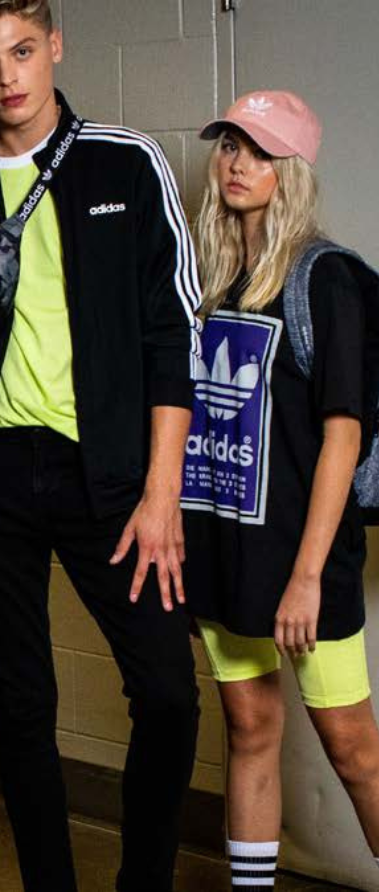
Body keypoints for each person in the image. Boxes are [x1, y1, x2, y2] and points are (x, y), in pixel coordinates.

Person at [0, 1, 202, 889]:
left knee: (168, 694)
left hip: (108, 477)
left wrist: (161, 494)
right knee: (22, 707)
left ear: (55, 45)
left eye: (24, 51)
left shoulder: (126, 161)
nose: (10, 77)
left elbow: (169, 335)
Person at [183, 90, 379, 889]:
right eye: (230, 145)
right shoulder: (216, 284)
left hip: (304, 562)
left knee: (352, 748)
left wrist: (304, 577)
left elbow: (344, 433)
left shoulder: (325, 279)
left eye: (259, 151)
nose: (236, 163)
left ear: (290, 170)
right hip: (229, 552)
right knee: (250, 727)